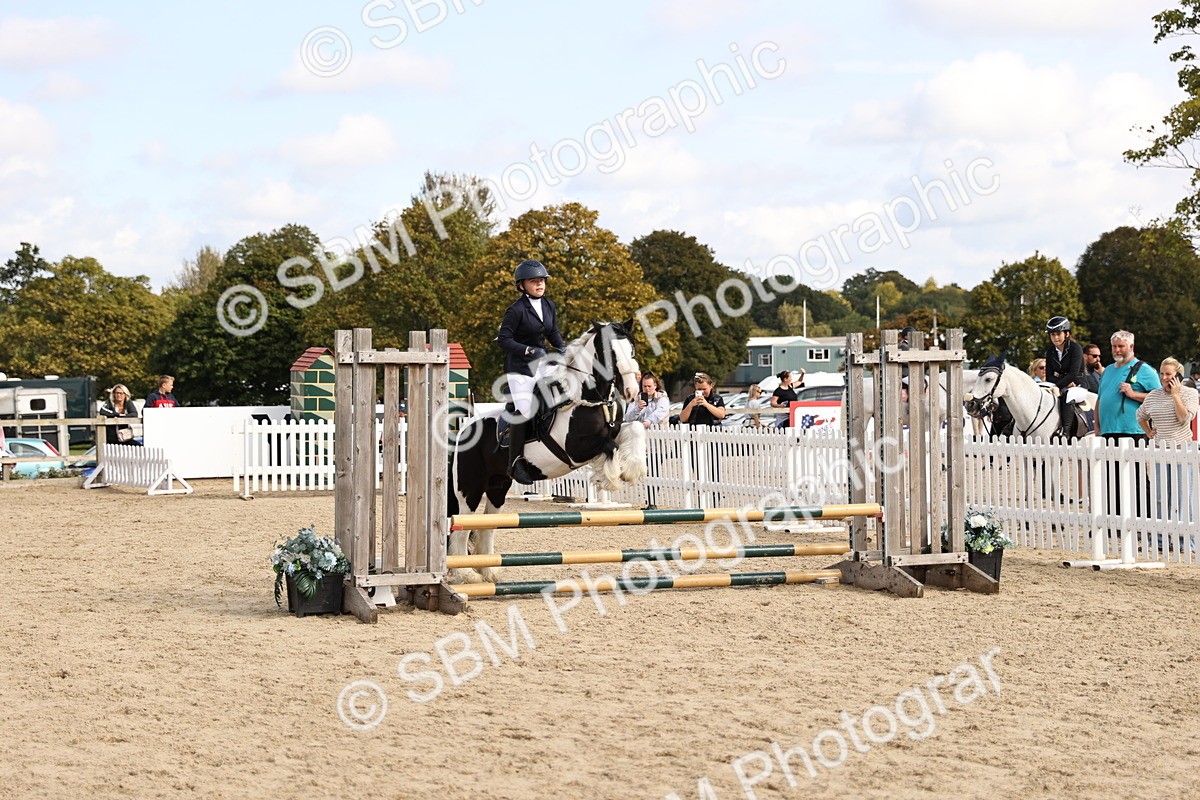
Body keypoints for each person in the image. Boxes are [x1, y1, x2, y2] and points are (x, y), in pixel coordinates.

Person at [496, 259, 567, 484]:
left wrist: (566, 349)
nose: (539, 285)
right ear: (522, 285)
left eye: (542, 281)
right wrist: (526, 349)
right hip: (520, 368)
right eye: (534, 281)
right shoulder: (516, 310)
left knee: (565, 386)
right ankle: (515, 462)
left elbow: (553, 332)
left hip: (542, 362)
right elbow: (504, 340)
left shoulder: (549, 305)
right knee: (525, 409)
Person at [1097, 330, 1161, 525]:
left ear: (1131, 347)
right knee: (1111, 477)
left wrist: (1133, 394)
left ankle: (1145, 518)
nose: (1117, 350)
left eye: (1121, 346)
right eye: (1114, 346)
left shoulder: (1144, 369)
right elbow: (1100, 399)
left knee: (1136, 477)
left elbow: (1158, 395)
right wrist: (1097, 426)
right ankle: (1116, 520)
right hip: (1109, 430)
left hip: (1132, 430)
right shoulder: (1108, 370)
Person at [1137, 358, 1199, 524]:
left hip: (1182, 450)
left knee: (1183, 496)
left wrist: (1176, 395)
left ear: (1178, 375)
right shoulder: (1153, 395)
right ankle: (1158, 538)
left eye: (1168, 374)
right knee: (1160, 496)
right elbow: (1140, 415)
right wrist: (1149, 431)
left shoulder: (1190, 393)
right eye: (1162, 373)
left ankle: (1184, 540)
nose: (1164, 377)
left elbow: (1185, 418)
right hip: (1159, 450)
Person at [1044, 316, 1085, 438]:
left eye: (1058, 334)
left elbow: (1073, 374)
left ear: (1066, 334)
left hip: (1078, 385)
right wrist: (1061, 384)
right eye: (1052, 335)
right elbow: (1049, 377)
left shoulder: (1075, 348)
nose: (1055, 338)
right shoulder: (1050, 351)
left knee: (1069, 394)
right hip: (1062, 384)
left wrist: (1059, 384)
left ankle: (1065, 431)